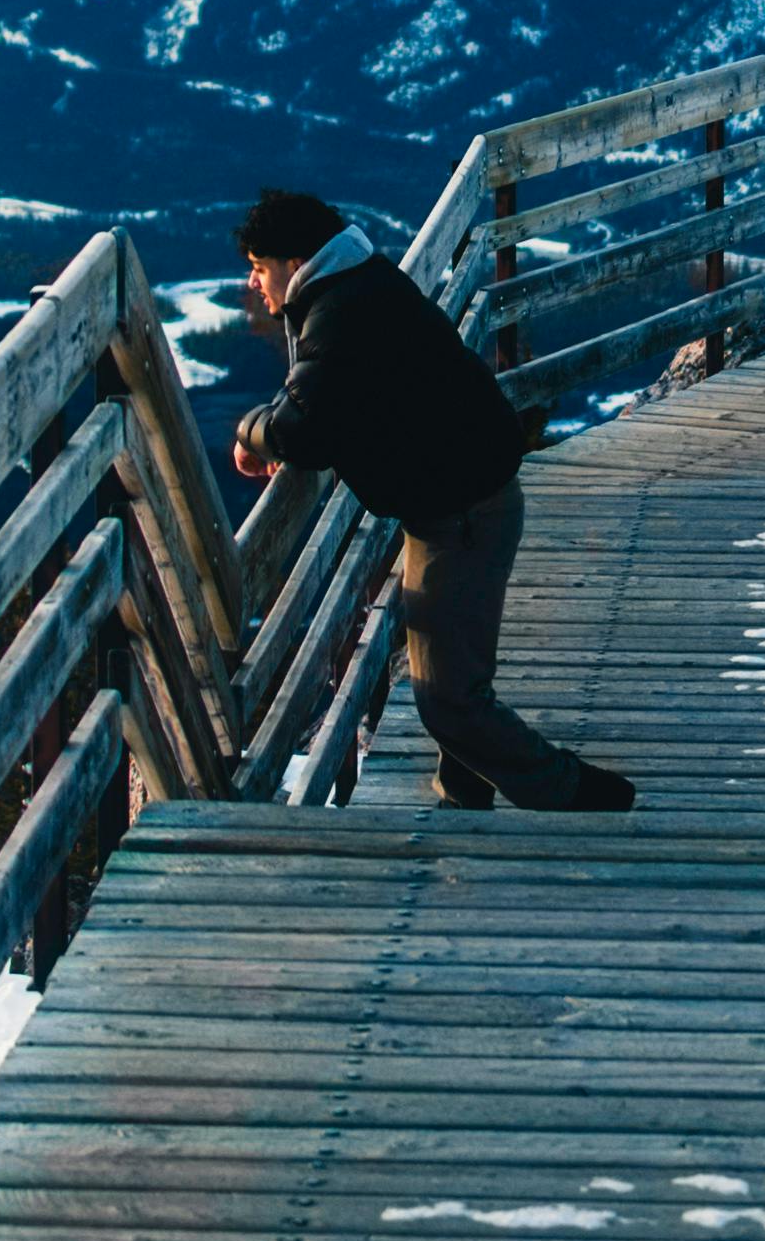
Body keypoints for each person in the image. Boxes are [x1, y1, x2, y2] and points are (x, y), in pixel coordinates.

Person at [229, 181, 635, 815]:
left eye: (258, 268)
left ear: (291, 260)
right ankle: (462, 795)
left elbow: (301, 427)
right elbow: (319, 399)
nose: (255, 284)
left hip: (462, 511)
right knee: (456, 678)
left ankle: (571, 791)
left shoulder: (339, 312)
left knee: (446, 695)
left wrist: (251, 432)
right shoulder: (358, 284)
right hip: (462, 496)